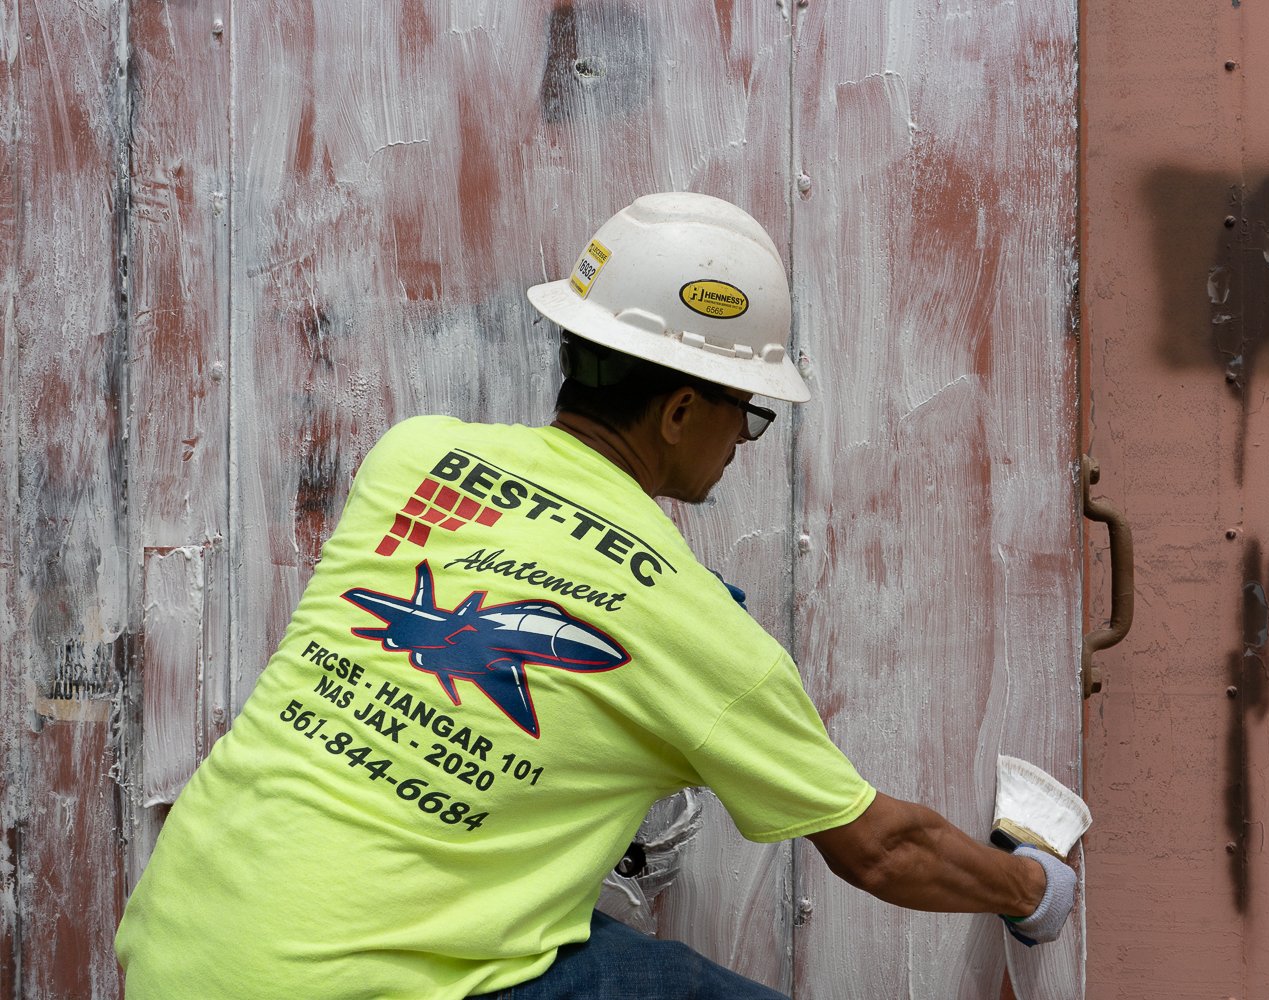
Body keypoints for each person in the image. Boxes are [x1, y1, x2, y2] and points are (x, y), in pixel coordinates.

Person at [114, 192, 1077, 999]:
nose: (743, 441)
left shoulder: (416, 455)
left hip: (180, 946)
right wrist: (1032, 887)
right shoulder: (694, 630)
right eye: (749, 415)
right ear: (680, 410)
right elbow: (884, 850)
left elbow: (528, 574)